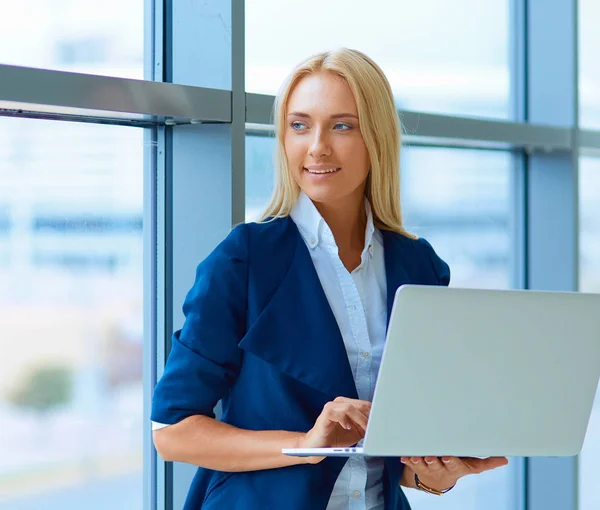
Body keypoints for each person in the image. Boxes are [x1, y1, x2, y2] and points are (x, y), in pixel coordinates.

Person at [151, 48, 508, 510]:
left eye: (342, 126)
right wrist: (306, 443)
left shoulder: (419, 266)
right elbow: (173, 432)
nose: (317, 146)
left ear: (376, 138)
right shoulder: (245, 260)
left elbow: (393, 450)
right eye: (300, 125)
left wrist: (435, 473)